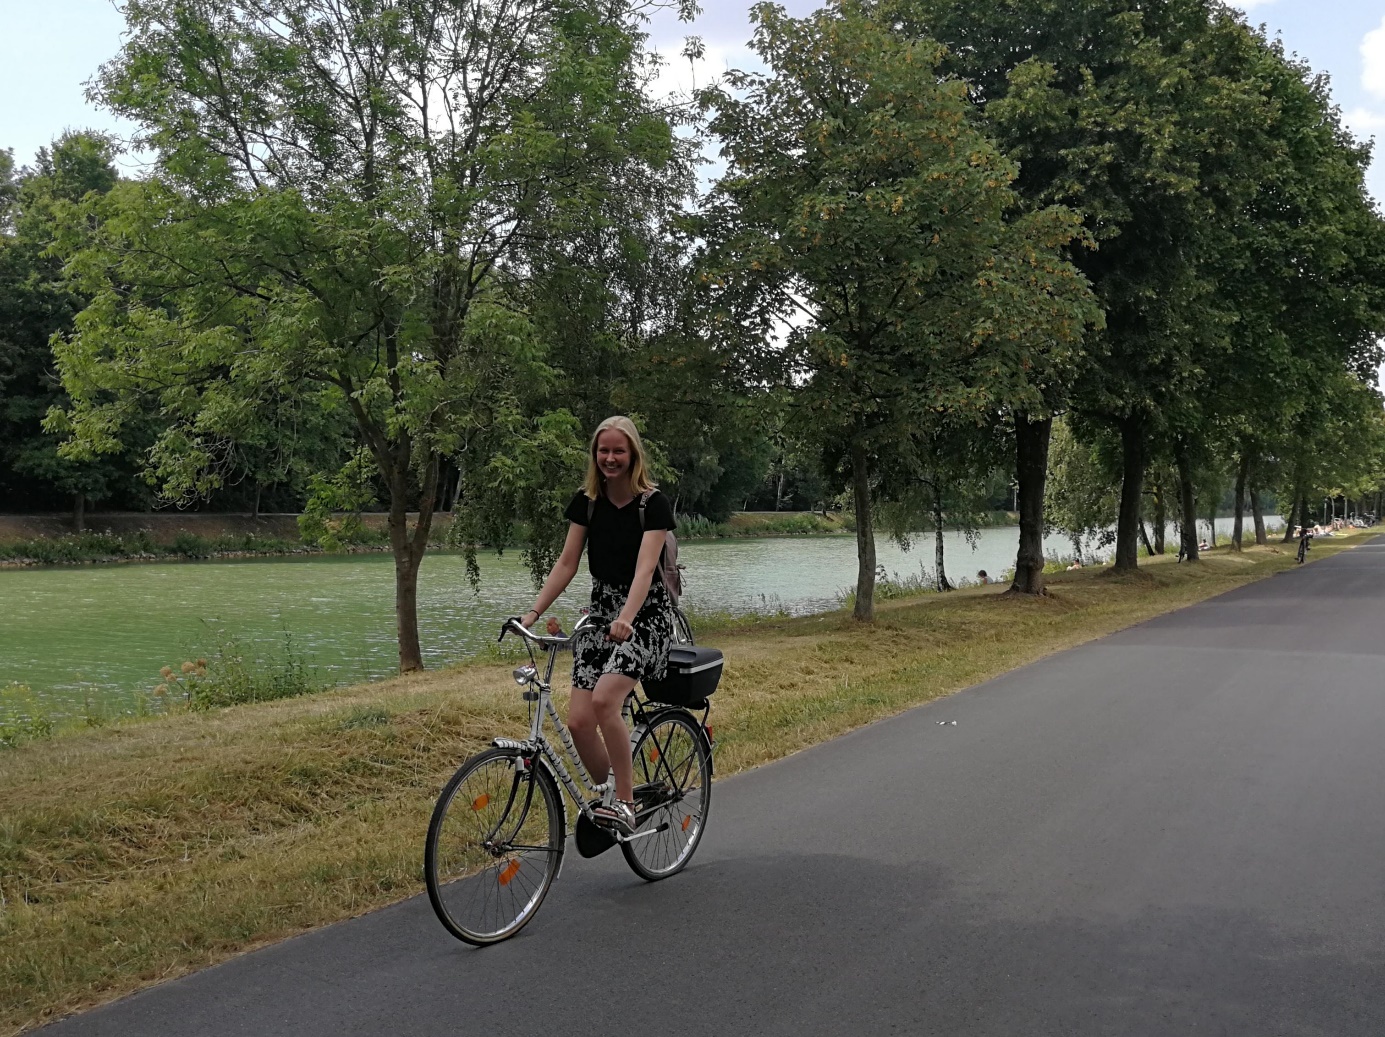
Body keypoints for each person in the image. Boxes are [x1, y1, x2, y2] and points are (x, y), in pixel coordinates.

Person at [518, 416, 675, 835]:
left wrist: (627, 618)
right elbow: (567, 563)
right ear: (595, 455)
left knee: (606, 701)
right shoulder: (587, 502)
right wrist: (532, 614)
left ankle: (625, 802)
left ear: (633, 455)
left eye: (618, 451)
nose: (610, 458)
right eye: (603, 451)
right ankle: (617, 792)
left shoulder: (653, 505)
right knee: (579, 722)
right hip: (600, 616)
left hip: (647, 618)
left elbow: (645, 572)